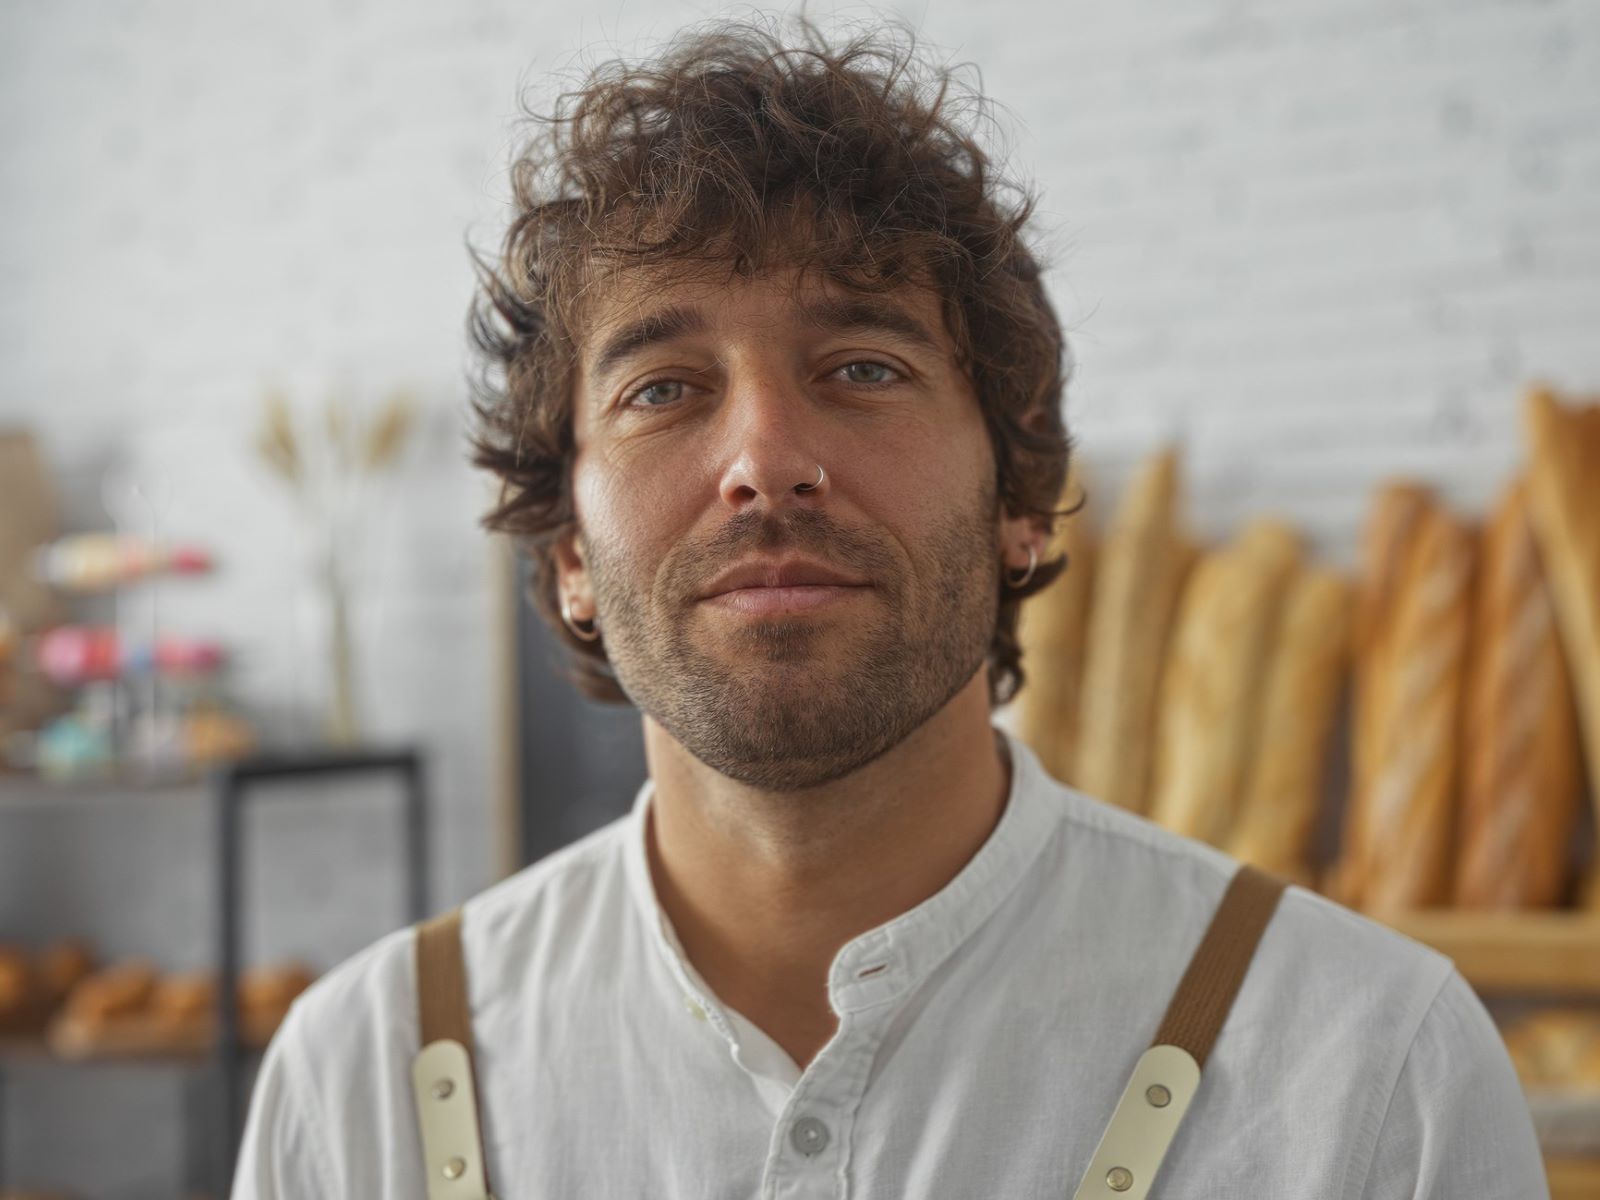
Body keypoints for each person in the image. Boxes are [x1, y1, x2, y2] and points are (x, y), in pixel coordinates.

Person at [231, 18, 1549, 1199]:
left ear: (1016, 503)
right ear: (570, 549)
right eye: (663, 389)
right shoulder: (360, 1086)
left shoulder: (1375, 1073)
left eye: (862, 366)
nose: (765, 458)